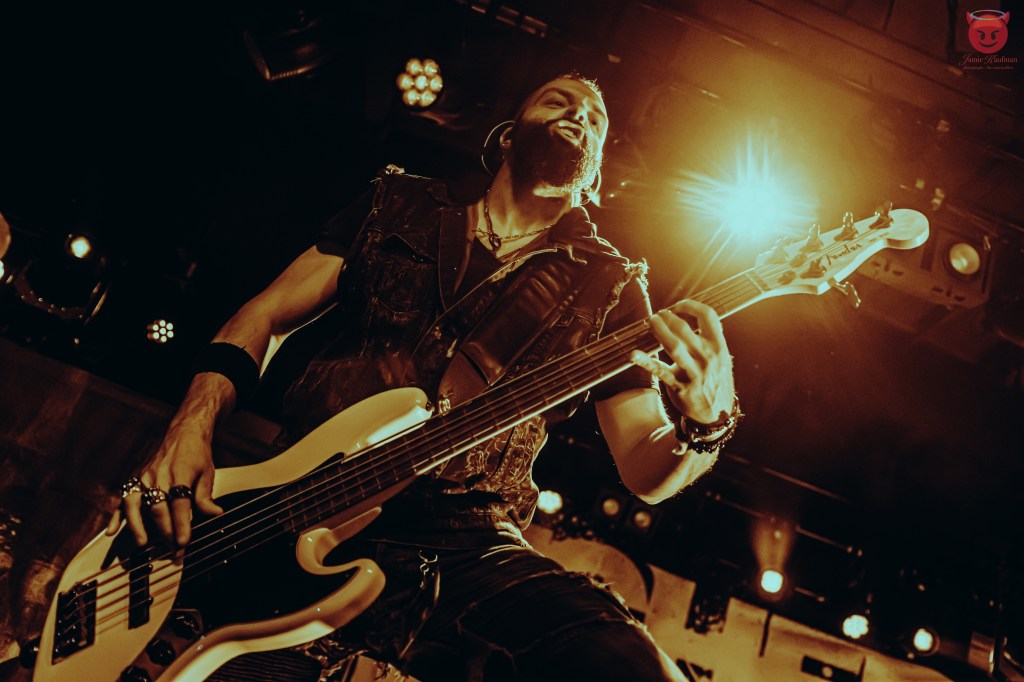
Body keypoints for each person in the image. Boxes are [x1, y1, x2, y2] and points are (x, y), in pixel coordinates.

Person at [109, 73, 739, 681]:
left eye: (595, 120)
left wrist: (706, 426)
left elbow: (644, 467)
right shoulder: (399, 203)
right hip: (295, 500)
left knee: (623, 663)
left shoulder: (611, 286)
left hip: (462, 535)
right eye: (559, 100)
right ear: (508, 134)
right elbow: (266, 313)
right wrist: (190, 426)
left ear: (595, 173)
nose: (580, 115)